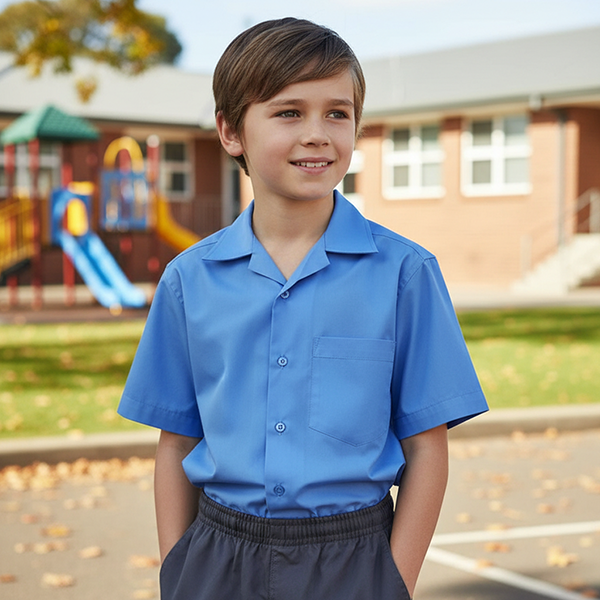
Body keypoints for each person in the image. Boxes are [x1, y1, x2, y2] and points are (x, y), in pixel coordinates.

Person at [118, 17, 488, 600]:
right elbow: (177, 442)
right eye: (289, 112)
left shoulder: (405, 273)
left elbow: (427, 445)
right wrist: (177, 569)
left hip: (354, 558)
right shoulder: (189, 279)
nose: (318, 133)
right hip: (217, 554)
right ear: (230, 131)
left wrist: (394, 582)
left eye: (337, 113)